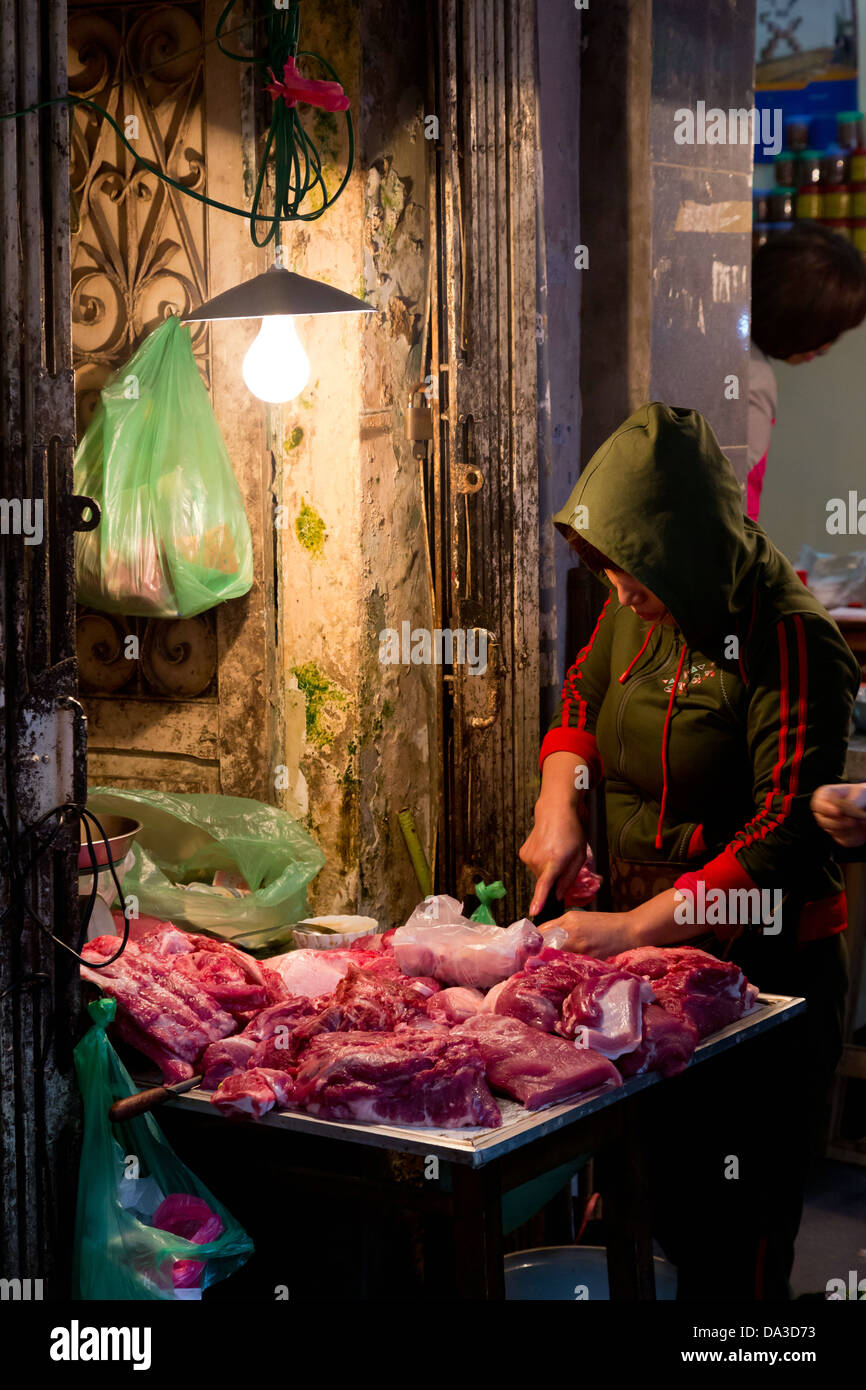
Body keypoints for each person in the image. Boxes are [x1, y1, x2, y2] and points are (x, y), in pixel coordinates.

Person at [520, 402, 859, 1299]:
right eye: (611, 570)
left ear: (689, 552)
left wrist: (633, 925)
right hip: (645, 963)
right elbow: (582, 703)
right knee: (643, 1208)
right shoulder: (635, 604)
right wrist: (561, 805)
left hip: (764, 972)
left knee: (730, 1241)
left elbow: (784, 829)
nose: (621, 593)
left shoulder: (791, 637)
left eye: (638, 574)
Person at [748, 223, 866, 520]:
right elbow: (725, 508)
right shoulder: (753, 382)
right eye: (830, 332)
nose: (826, 348)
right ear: (798, 321)